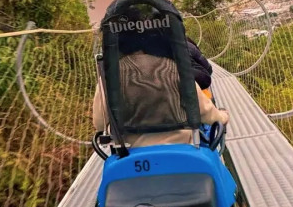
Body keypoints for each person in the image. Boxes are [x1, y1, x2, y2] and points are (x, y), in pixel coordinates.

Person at [93, 8, 229, 148]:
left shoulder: (109, 78)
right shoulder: (172, 67)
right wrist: (223, 116)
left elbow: (99, 123)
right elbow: (205, 112)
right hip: (181, 151)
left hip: (132, 156)